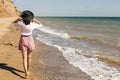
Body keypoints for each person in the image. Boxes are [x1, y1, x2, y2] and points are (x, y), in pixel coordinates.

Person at [13, 10, 42, 79]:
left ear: (23, 18)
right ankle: (28, 70)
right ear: (30, 18)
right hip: (30, 39)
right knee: (29, 57)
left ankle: (26, 73)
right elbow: (41, 25)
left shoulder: (20, 23)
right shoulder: (32, 24)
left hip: (23, 39)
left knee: (24, 58)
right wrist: (35, 20)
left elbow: (13, 24)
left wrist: (17, 19)